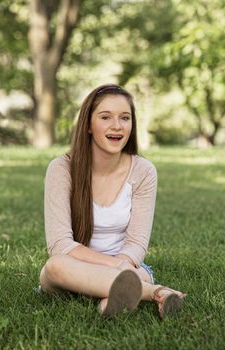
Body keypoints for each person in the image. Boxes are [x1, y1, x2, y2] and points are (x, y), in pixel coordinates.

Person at [39, 84, 186, 319]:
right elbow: (60, 245)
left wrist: (122, 266)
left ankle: (111, 299)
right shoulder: (61, 169)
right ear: (88, 124)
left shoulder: (143, 171)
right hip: (73, 267)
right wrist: (114, 268)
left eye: (124, 118)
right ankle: (156, 292)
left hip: (129, 267)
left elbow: (137, 243)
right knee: (55, 266)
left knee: (129, 281)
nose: (117, 126)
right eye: (105, 117)